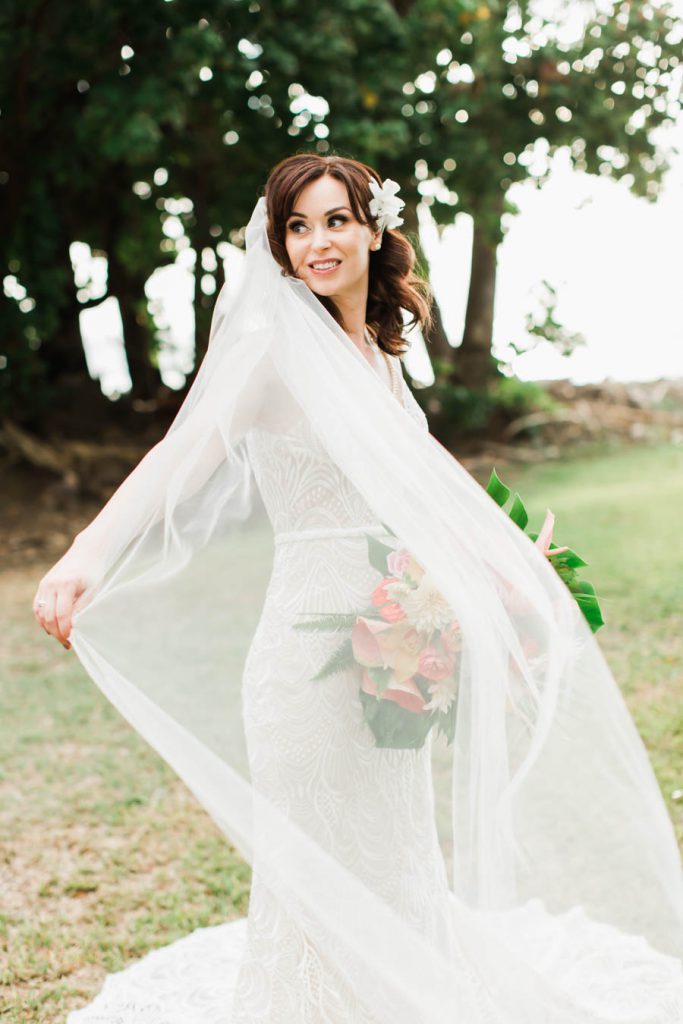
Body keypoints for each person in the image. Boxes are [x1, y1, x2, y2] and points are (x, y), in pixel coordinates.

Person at [34, 154, 683, 1023]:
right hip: (302, 657)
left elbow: (424, 489)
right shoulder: (271, 354)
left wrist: (505, 566)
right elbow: (177, 459)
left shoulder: (378, 358)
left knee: (395, 852)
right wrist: (84, 554)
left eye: (335, 219)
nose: (316, 242)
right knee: (313, 868)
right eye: (296, 227)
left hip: (388, 650)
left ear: (374, 230)